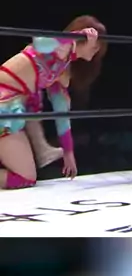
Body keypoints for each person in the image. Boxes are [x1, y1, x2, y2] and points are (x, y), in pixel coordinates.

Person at [0, 16, 106, 189]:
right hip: (4, 103)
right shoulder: (59, 47)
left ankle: (43, 149)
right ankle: (42, 148)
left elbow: (61, 112)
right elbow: (39, 43)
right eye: (95, 45)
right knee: (25, 178)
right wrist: (75, 36)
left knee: (25, 178)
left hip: (10, 108)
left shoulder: (63, 70)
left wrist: (68, 153)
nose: (96, 50)